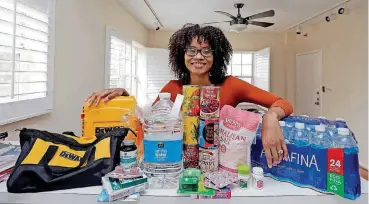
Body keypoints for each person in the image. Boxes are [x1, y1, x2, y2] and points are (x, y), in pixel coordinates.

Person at [87, 24, 293, 168]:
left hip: (223, 164)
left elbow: (283, 103)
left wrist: (270, 117)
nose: (198, 57)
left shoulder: (231, 85)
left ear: (217, 56)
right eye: (191, 50)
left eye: (206, 51)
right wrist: (125, 97)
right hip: (179, 164)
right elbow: (149, 123)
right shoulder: (173, 88)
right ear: (181, 55)